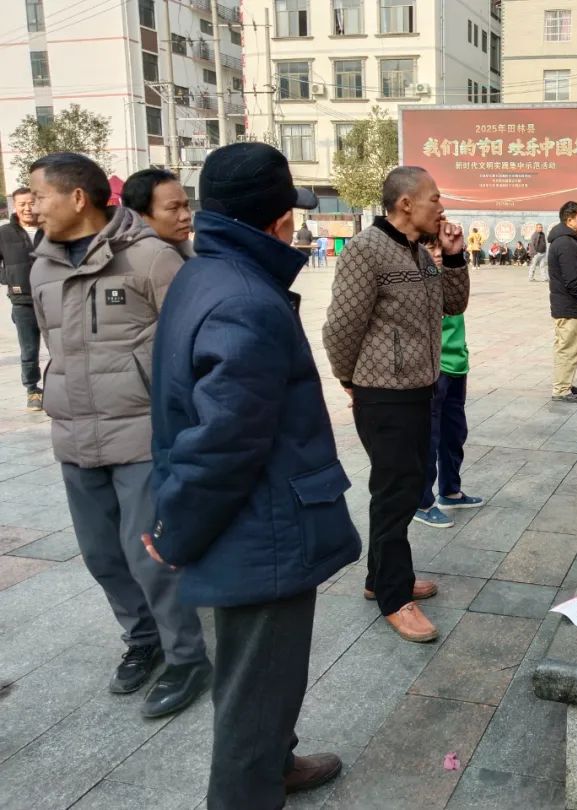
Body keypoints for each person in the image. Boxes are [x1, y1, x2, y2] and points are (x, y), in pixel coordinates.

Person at [144, 141, 360, 808]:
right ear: (280, 220)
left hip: (248, 522)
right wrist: (175, 531)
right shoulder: (245, 299)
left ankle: (277, 761)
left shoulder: (203, 273)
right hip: (260, 532)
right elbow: (224, 442)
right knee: (255, 690)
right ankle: (249, 788)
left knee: (261, 680)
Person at [28, 152, 210, 718]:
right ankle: (142, 639)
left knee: (150, 554)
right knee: (101, 555)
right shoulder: (41, 267)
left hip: (140, 437)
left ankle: (187, 658)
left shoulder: (151, 258)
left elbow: (191, 347)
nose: (32, 206)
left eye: (40, 195)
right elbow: (55, 348)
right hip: (75, 436)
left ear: (77, 198)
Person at [324, 166, 468, 644]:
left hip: (418, 389)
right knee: (396, 492)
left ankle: (380, 577)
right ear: (406, 203)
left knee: (402, 488)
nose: (441, 208)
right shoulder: (366, 250)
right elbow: (340, 327)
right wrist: (351, 380)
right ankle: (393, 595)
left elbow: (453, 305)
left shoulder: (419, 254)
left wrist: (454, 257)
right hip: (383, 394)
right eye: (434, 198)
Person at [413, 234, 485, 529]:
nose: (438, 254)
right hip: (433, 369)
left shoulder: (451, 279)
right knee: (428, 438)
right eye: (431, 248)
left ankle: (450, 491)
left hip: (457, 366)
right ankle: (422, 502)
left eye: (440, 248)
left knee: (454, 433)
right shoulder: (414, 283)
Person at [0, 187, 44, 410]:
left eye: (31, 203)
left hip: (52, 299)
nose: (27, 208)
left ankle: (62, 387)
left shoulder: (51, 229)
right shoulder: (4, 233)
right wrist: (8, 278)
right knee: (29, 349)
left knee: (61, 347)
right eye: (22, 204)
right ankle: (33, 390)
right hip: (22, 301)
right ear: (15, 207)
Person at [548, 201, 577, 403]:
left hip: (566, 304)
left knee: (565, 347)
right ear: (570, 219)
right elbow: (572, 280)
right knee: (568, 349)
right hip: (569, 305)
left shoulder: (565, 241)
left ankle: (565, 382)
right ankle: (561, 389)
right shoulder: (565, 243)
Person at [121, 168, 193, 255]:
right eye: (173, 208)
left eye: (186, 205)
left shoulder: (194, 252)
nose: (186, 216)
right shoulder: (134, 258)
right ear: (139, 215)